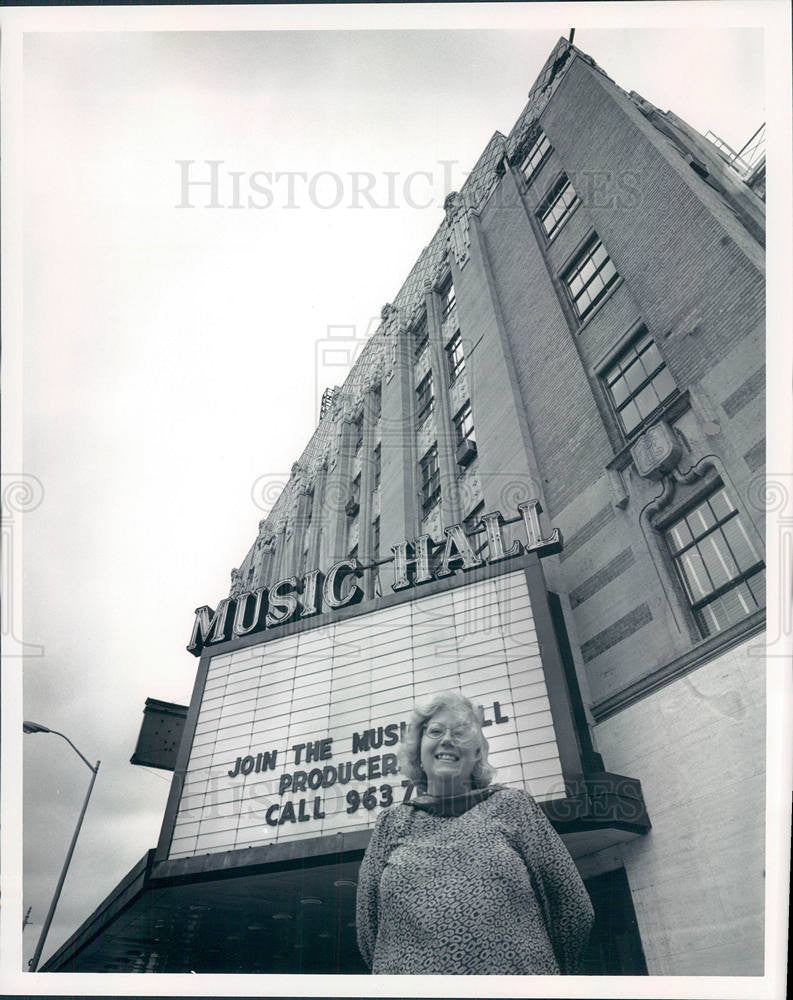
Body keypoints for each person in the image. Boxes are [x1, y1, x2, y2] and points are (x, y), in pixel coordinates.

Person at [355, 690, 594, 975]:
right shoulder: (391, 823)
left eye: (460, 732)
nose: (447, 739)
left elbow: (574, 909)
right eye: (435, 731)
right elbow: (369, 928)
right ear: (418, 751)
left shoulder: (513, 806)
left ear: (477, 751)